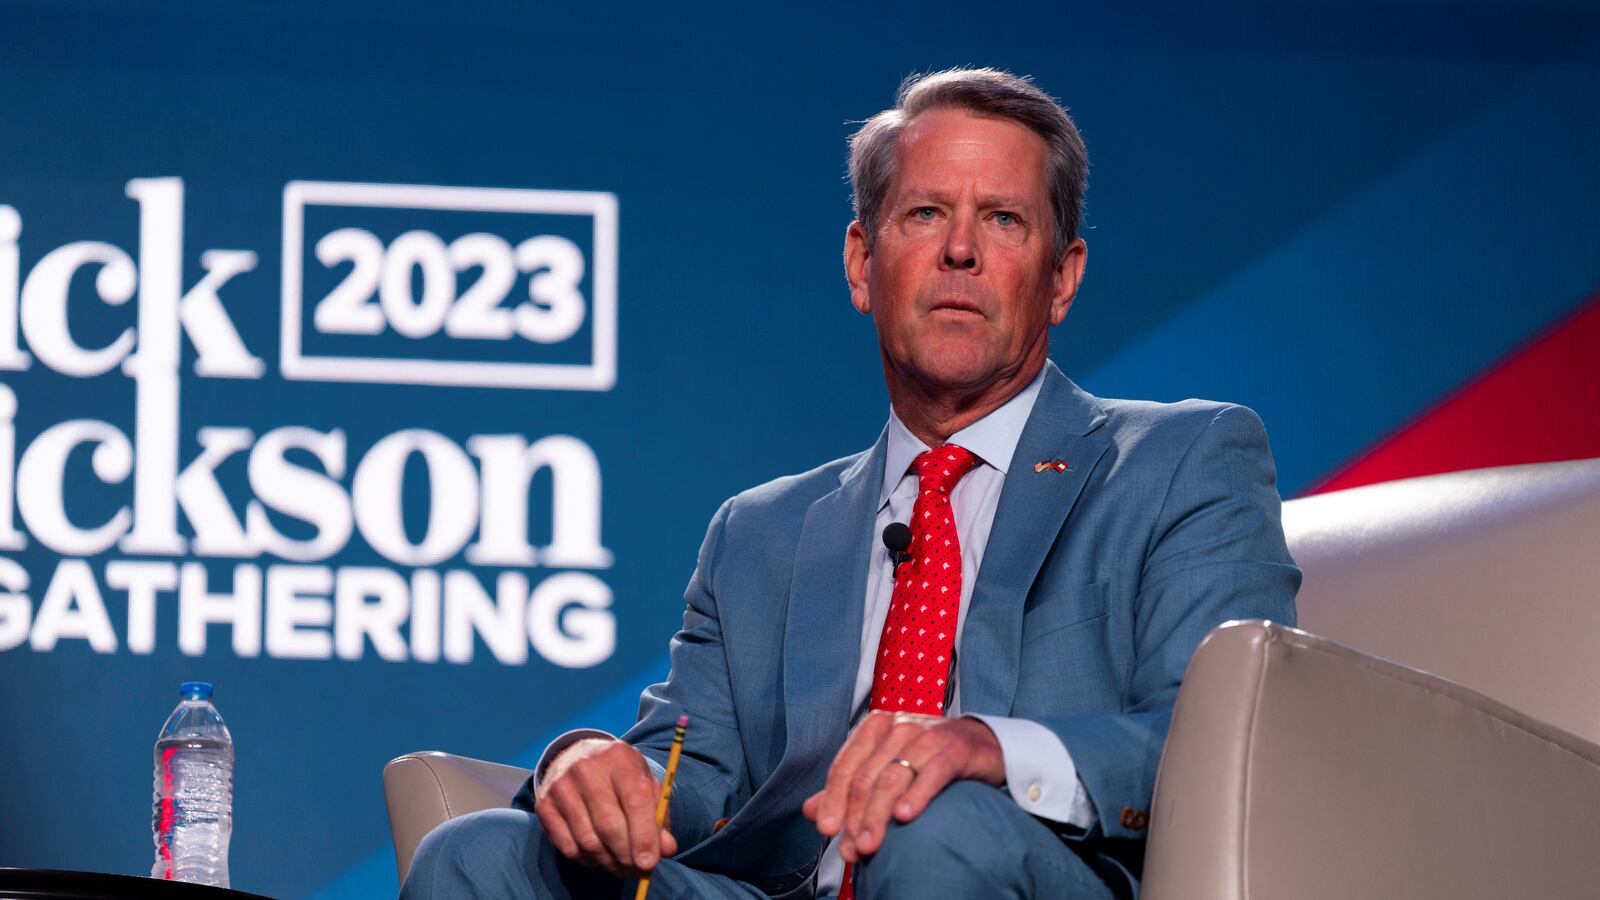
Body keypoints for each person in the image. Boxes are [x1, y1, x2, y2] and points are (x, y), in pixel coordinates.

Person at [401, 67, 1300, 900]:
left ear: (1062, 279)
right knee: (477, 855)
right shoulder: (758, 534)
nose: (959, 250)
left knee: (930, 821)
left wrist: (989, 748)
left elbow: (1218, 741)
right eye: (923, 215)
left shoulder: (1184, 460)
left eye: (1002, 219)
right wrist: (591, 764)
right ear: (862, 264)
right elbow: (688, 779)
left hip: (1019, 870)